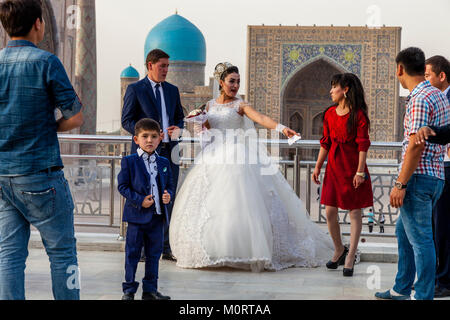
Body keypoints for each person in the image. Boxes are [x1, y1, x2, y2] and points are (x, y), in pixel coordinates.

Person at [169, 63, 334, 272]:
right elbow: (208, 130)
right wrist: (197, 124)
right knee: (212, 204)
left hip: (237, 157)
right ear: (221, 83)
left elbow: (260, 118)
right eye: (231, 81)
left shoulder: (241, 105)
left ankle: (243, 251)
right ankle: (215, 250)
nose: (235, 85)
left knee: (240, 203)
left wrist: (282, 129)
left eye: (238, 82)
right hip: (214, 156)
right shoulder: (209, 106)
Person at [0, 0, 83, 300]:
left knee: (9, 256)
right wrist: (51, 128)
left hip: (3, 177)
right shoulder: (46, 63)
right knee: (63, 255)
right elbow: (75, 116)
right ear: (38, 23)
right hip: (40, 176)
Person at [375, 47, 448, 300]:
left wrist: (400, 184)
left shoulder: (418, 99)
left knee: (421, 241)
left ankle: (423, 295)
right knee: (404, 234)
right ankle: (401, 288)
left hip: (417, 177)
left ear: (400, 69)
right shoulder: (438, 95)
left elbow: (416, 145)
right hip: (435, 175)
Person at [121, 49, 185, 261]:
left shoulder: (172, 91)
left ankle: (165, 246)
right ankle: (138, 248)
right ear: (150, 65)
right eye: (162, 66)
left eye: (168, 66)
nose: (166, 70)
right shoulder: (135, 89)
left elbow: (179, 117)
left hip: (168, 153)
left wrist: (177, 129)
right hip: (145, 154)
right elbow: (127, 120)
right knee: (143, 197)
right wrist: (146, 135)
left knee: (167, 197)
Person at [312, 73, 373, 277]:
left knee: (354, 213)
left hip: (353, 167)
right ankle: (339, 249)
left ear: (345, 89)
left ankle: (350, 256)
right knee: (330, 212)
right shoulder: (329, 113)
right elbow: (326, 143)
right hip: (334, 168)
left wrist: (360, 171)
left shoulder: (358, 115)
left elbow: (363, 145)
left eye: (334, 87)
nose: (330, 91)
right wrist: (318, 166)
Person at [118, 119, 174, 300]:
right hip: (136, 217)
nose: (149, 140)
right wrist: (140, 200)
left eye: (154, 136)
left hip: (157, 217)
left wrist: (168, 195)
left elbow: (170, 185)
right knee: (132, 254)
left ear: (160, 138)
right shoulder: (129, 161)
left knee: (154, 255)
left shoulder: (164, 162)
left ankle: (150, 290)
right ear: (136, 139)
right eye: (145, 136)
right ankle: (129, 290)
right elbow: (123, 187)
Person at [412, 55, 450, 298]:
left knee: (443, 226)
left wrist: (429, 133)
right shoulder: (438, 98)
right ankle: (438, 278)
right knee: (437, 225)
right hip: (440, 166)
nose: (424, 80)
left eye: (427, 76)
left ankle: (444, 281)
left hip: (446, 165)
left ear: (441, 76)